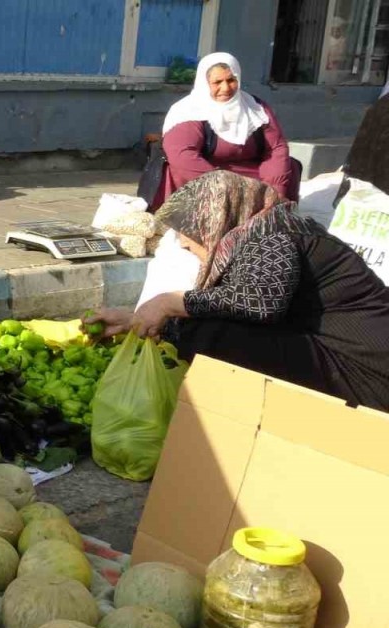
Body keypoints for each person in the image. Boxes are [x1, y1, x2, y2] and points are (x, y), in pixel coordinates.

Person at [90, 171, 389, 411]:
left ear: (217, 219)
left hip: (369, 375)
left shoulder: (270, 237)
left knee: (211, 335)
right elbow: (245, 303)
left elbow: (258, 302)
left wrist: (169, 303)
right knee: (206, 324)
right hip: (350, 363)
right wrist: (139, 321)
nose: (182, 242)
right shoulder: (269, 229)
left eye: (188, 231)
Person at [149, 52, 299, 211]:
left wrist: (273, 192)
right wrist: (227, 189)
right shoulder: (188, 111)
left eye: (231, 80)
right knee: (175, 170)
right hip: (207, 179)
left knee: (290, 165)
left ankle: (272, 211)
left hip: (250, 175)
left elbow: (276, 148)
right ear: (204, 83)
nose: (225, 88)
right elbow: (183, 156)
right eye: (217, 82)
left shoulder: (255, 108)